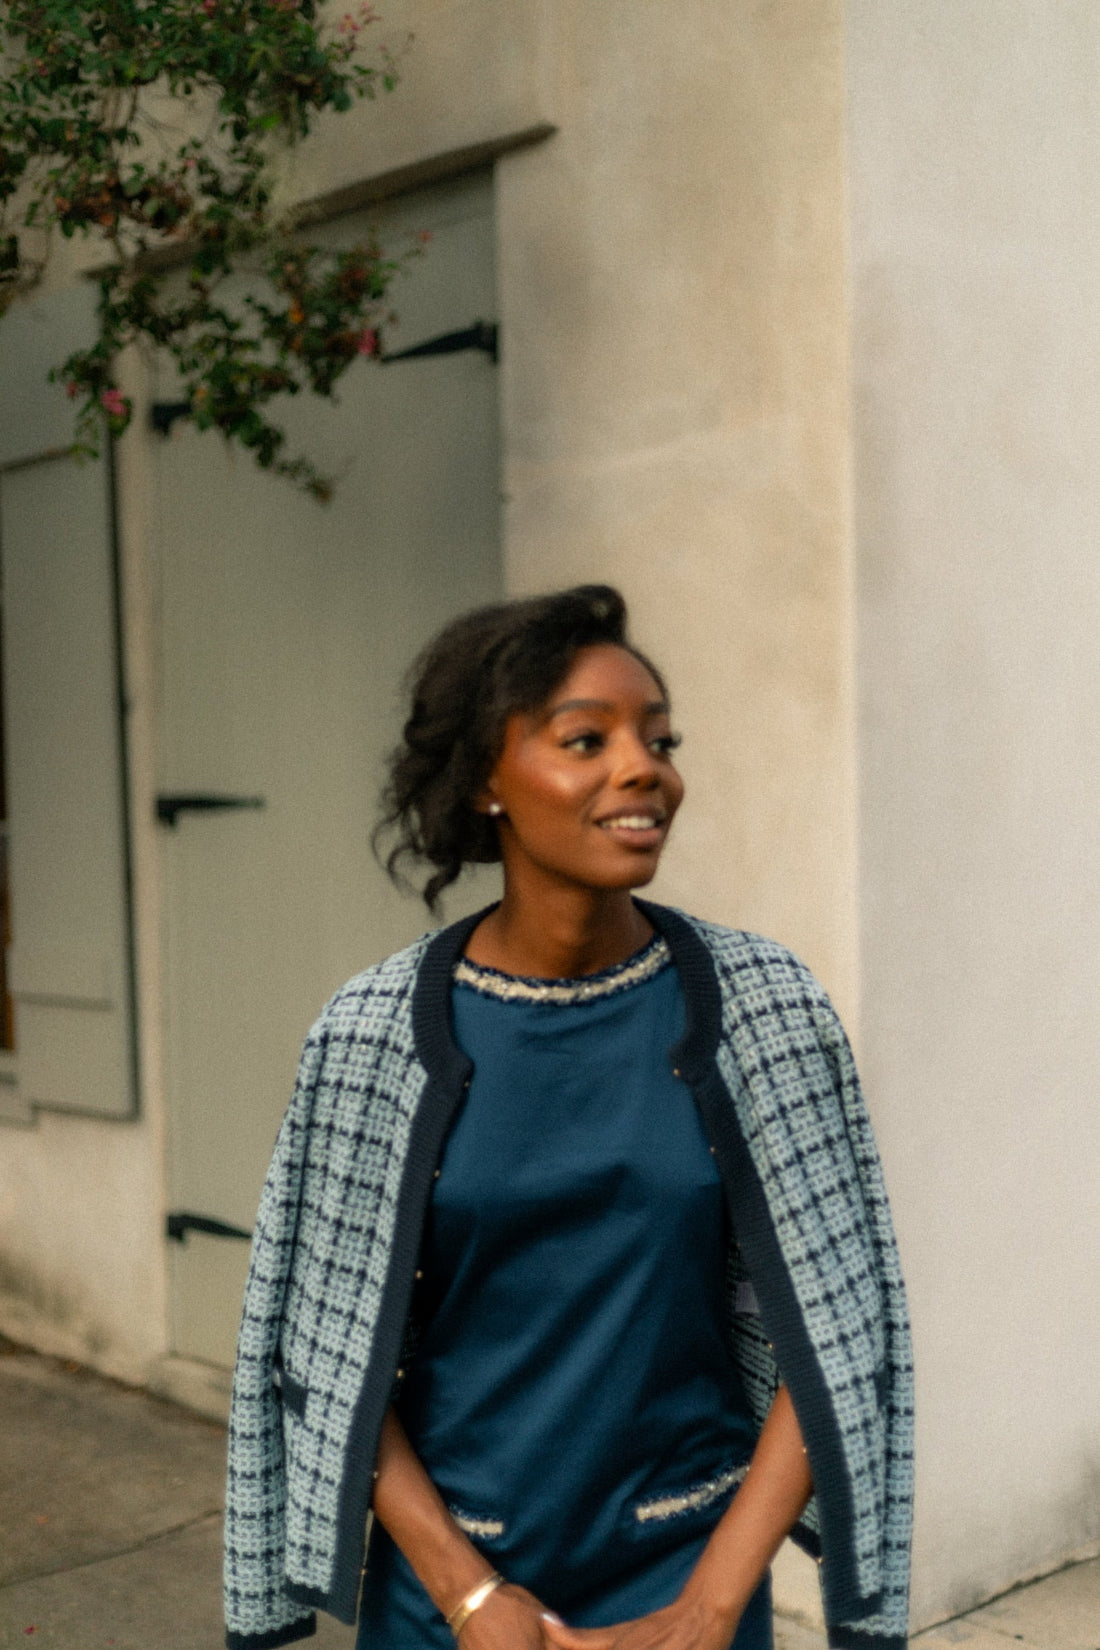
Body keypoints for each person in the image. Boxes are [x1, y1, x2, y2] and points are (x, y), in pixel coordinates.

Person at [224, 586, 914, 1650]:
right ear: (484, 781)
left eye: (658, 738)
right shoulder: (369, 1036)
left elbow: (837, 1322)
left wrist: (709, 1608)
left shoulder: (765, 1007)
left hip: (687, 1570)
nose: (644, 768)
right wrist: (467, 1595)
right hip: (450, 1591)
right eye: (584, 739)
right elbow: (321, 1350)